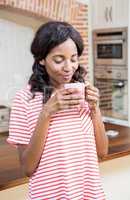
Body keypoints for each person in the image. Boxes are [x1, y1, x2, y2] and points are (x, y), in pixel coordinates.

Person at [7, 21, 108, 200]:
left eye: (74, 58)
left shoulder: (83, 92)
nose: (68, 67)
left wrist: (95, 109)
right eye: (59, 60)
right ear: (41, 59)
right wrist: (46, 113)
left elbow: (102, 153)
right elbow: (28, 168)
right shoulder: (24, 99)